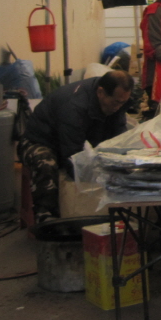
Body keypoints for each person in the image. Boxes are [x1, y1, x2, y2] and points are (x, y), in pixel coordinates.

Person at [18, 71, 134, 222]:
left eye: (122, 103)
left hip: (72, 140)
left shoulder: (115, 102)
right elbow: (72, 155)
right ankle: (47, 219)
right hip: (39, 141)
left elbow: (118, 140)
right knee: (47, 163)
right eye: (115, 102)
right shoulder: (74, 107)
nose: (118, 107)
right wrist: (95, 179)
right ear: (100, 92)